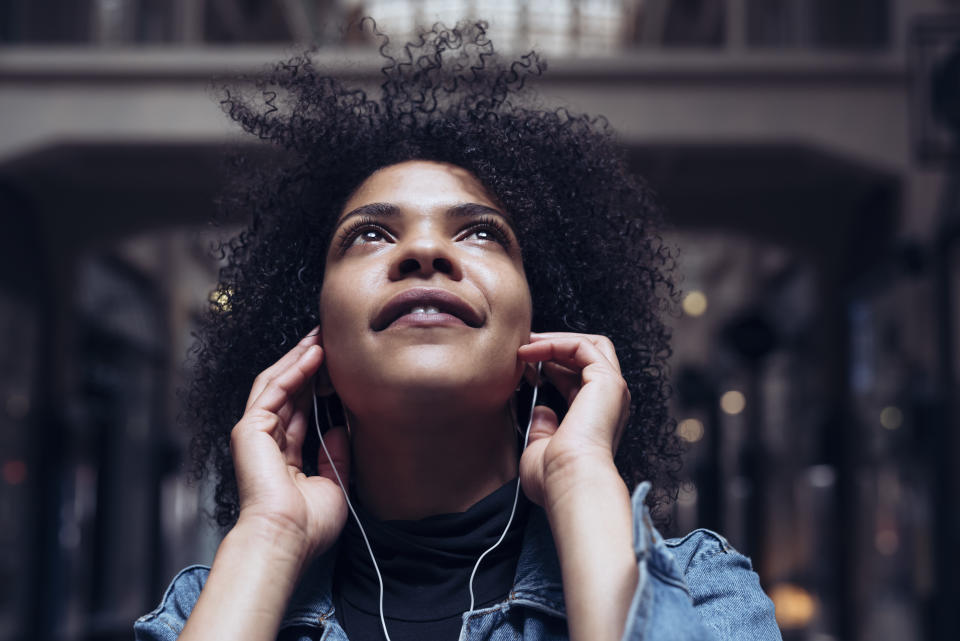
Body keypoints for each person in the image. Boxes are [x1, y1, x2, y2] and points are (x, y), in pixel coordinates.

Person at [134, 21, 781, 641]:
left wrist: (582, 477)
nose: (423, 253)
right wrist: (269, 533)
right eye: (369, 233)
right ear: (315, 345)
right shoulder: (212, 607)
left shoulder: (701, 588)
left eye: (478, 232)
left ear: (541, 334)